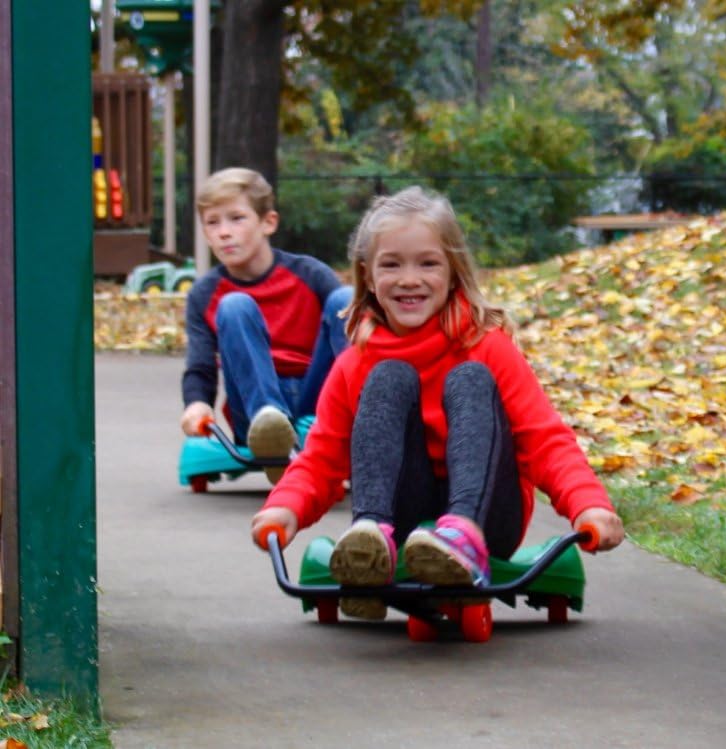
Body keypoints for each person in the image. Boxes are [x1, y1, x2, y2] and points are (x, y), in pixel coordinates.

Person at [250, 185, 624, 620]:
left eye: (427, 264)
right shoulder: (356, 363)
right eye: (392, 265)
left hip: (488, 515)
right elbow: (323, 455)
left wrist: (589, 504)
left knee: (469, 377)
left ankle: (460, 534)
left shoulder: (487, 346)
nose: (410, 279)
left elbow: (543, 438)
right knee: (386, 376)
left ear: (453, 272)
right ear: (367, 275)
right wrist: (285, 506)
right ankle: (371, 533)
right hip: (406, 517)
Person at [180, 167, 353, 483]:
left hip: (317, 399)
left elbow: (349, 334)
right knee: (234, 305)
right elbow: (200, 366)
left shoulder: (310, 274)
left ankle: (363, 418)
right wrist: (197, 404)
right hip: (252, 407)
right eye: (212, 223)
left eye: (236, 218)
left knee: (346, 299)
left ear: (268, 222)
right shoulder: (205, 294)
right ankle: (272, 430)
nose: (224, 232)